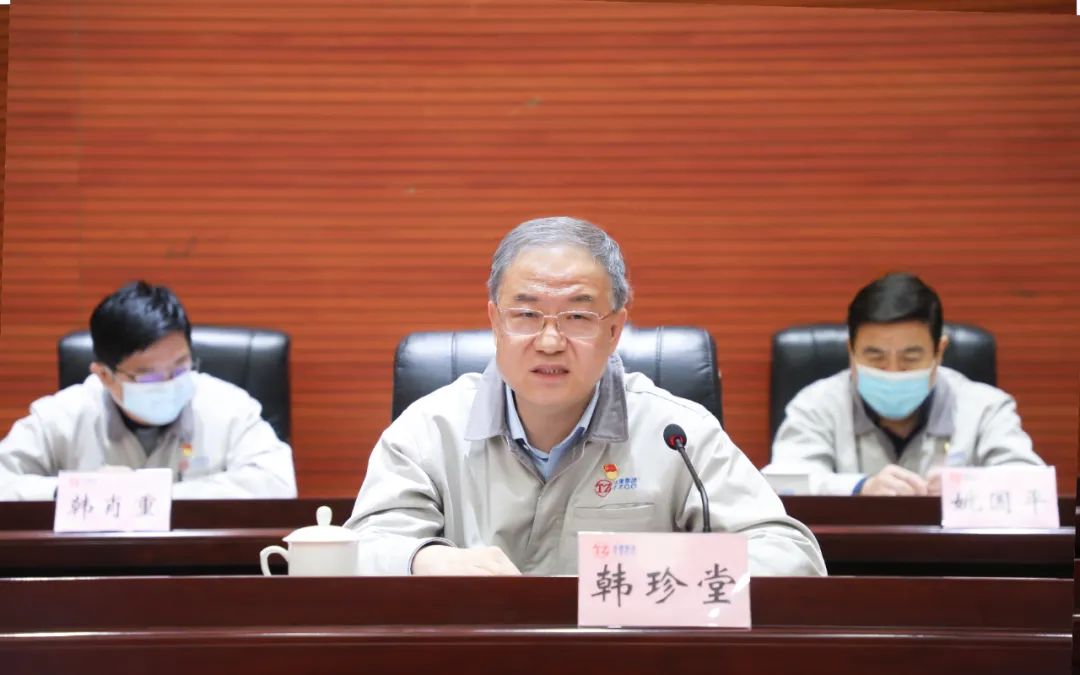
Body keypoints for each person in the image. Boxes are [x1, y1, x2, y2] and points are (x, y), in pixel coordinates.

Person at [347, 216, 825, 576]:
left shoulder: (676, 433)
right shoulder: (430, 429)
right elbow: (361, 550)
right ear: (495, 322)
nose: (550, 341)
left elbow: (792, 556)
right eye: (527, 315)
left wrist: (646, 574)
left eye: (578, 317)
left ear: (614, 330)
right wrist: (424, 559)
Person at [0, 281, 297, 500]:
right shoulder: (62, 416)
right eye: (148, 377)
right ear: (104, 375)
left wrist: (149, 493)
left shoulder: (230, 408)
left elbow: (278, 485)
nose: (168, 384)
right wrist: (76, 492)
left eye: (180, 368)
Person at [765, 272, 1043, 497]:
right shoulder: (815, 404)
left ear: (939, 351)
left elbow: (1032, 486)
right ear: (851, 351)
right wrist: (860, 488)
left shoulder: (985, 407)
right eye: (876, 357)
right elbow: (783, 484)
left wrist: (967, 487)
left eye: (910, 357)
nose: (893, 371)